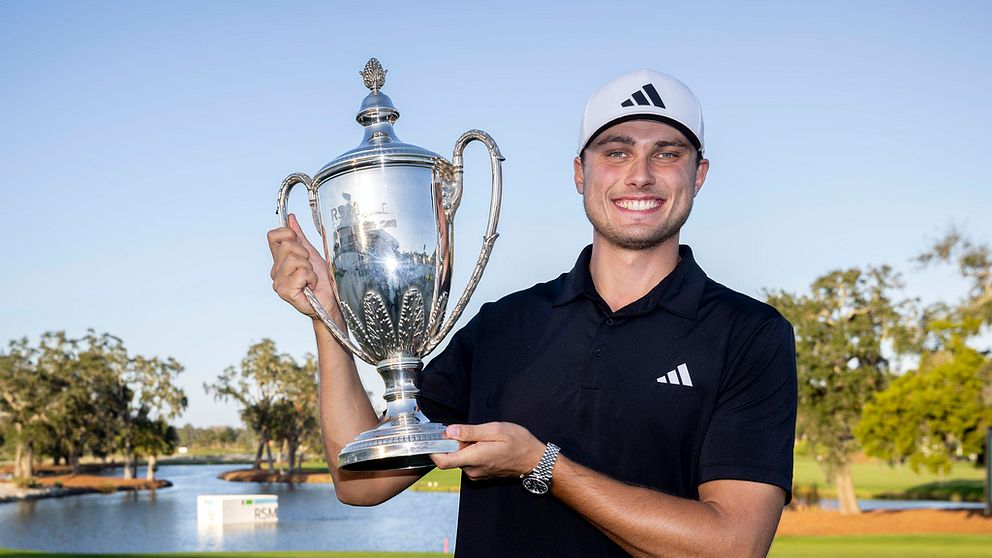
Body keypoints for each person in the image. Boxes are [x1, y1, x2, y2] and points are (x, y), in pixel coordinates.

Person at [268, 69, 797, 557]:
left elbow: (734, 546)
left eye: (666, 154)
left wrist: (542, 465)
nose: (639, 175)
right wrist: (328, 317)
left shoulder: (750, 334)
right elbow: (359, 483)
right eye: (616, 152)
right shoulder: (503, 326)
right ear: (580, 173)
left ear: (698, 174)